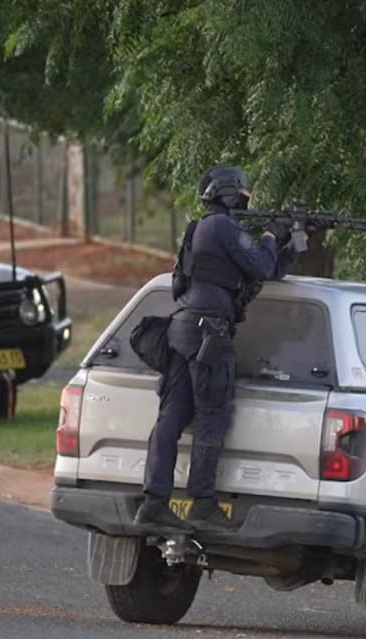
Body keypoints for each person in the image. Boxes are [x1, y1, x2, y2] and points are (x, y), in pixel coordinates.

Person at [134, 165, 297, 532]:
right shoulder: (223, 227)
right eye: (242, 192)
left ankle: (154, 501)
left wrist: (293, 245)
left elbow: (266, 271)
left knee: (171, 417)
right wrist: (272, 236)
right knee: (212, 416)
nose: (245, 198)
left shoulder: (202, 227)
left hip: (184, 330)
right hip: (208, 335)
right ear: (228, 193)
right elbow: (260, 264)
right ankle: (202, 504)